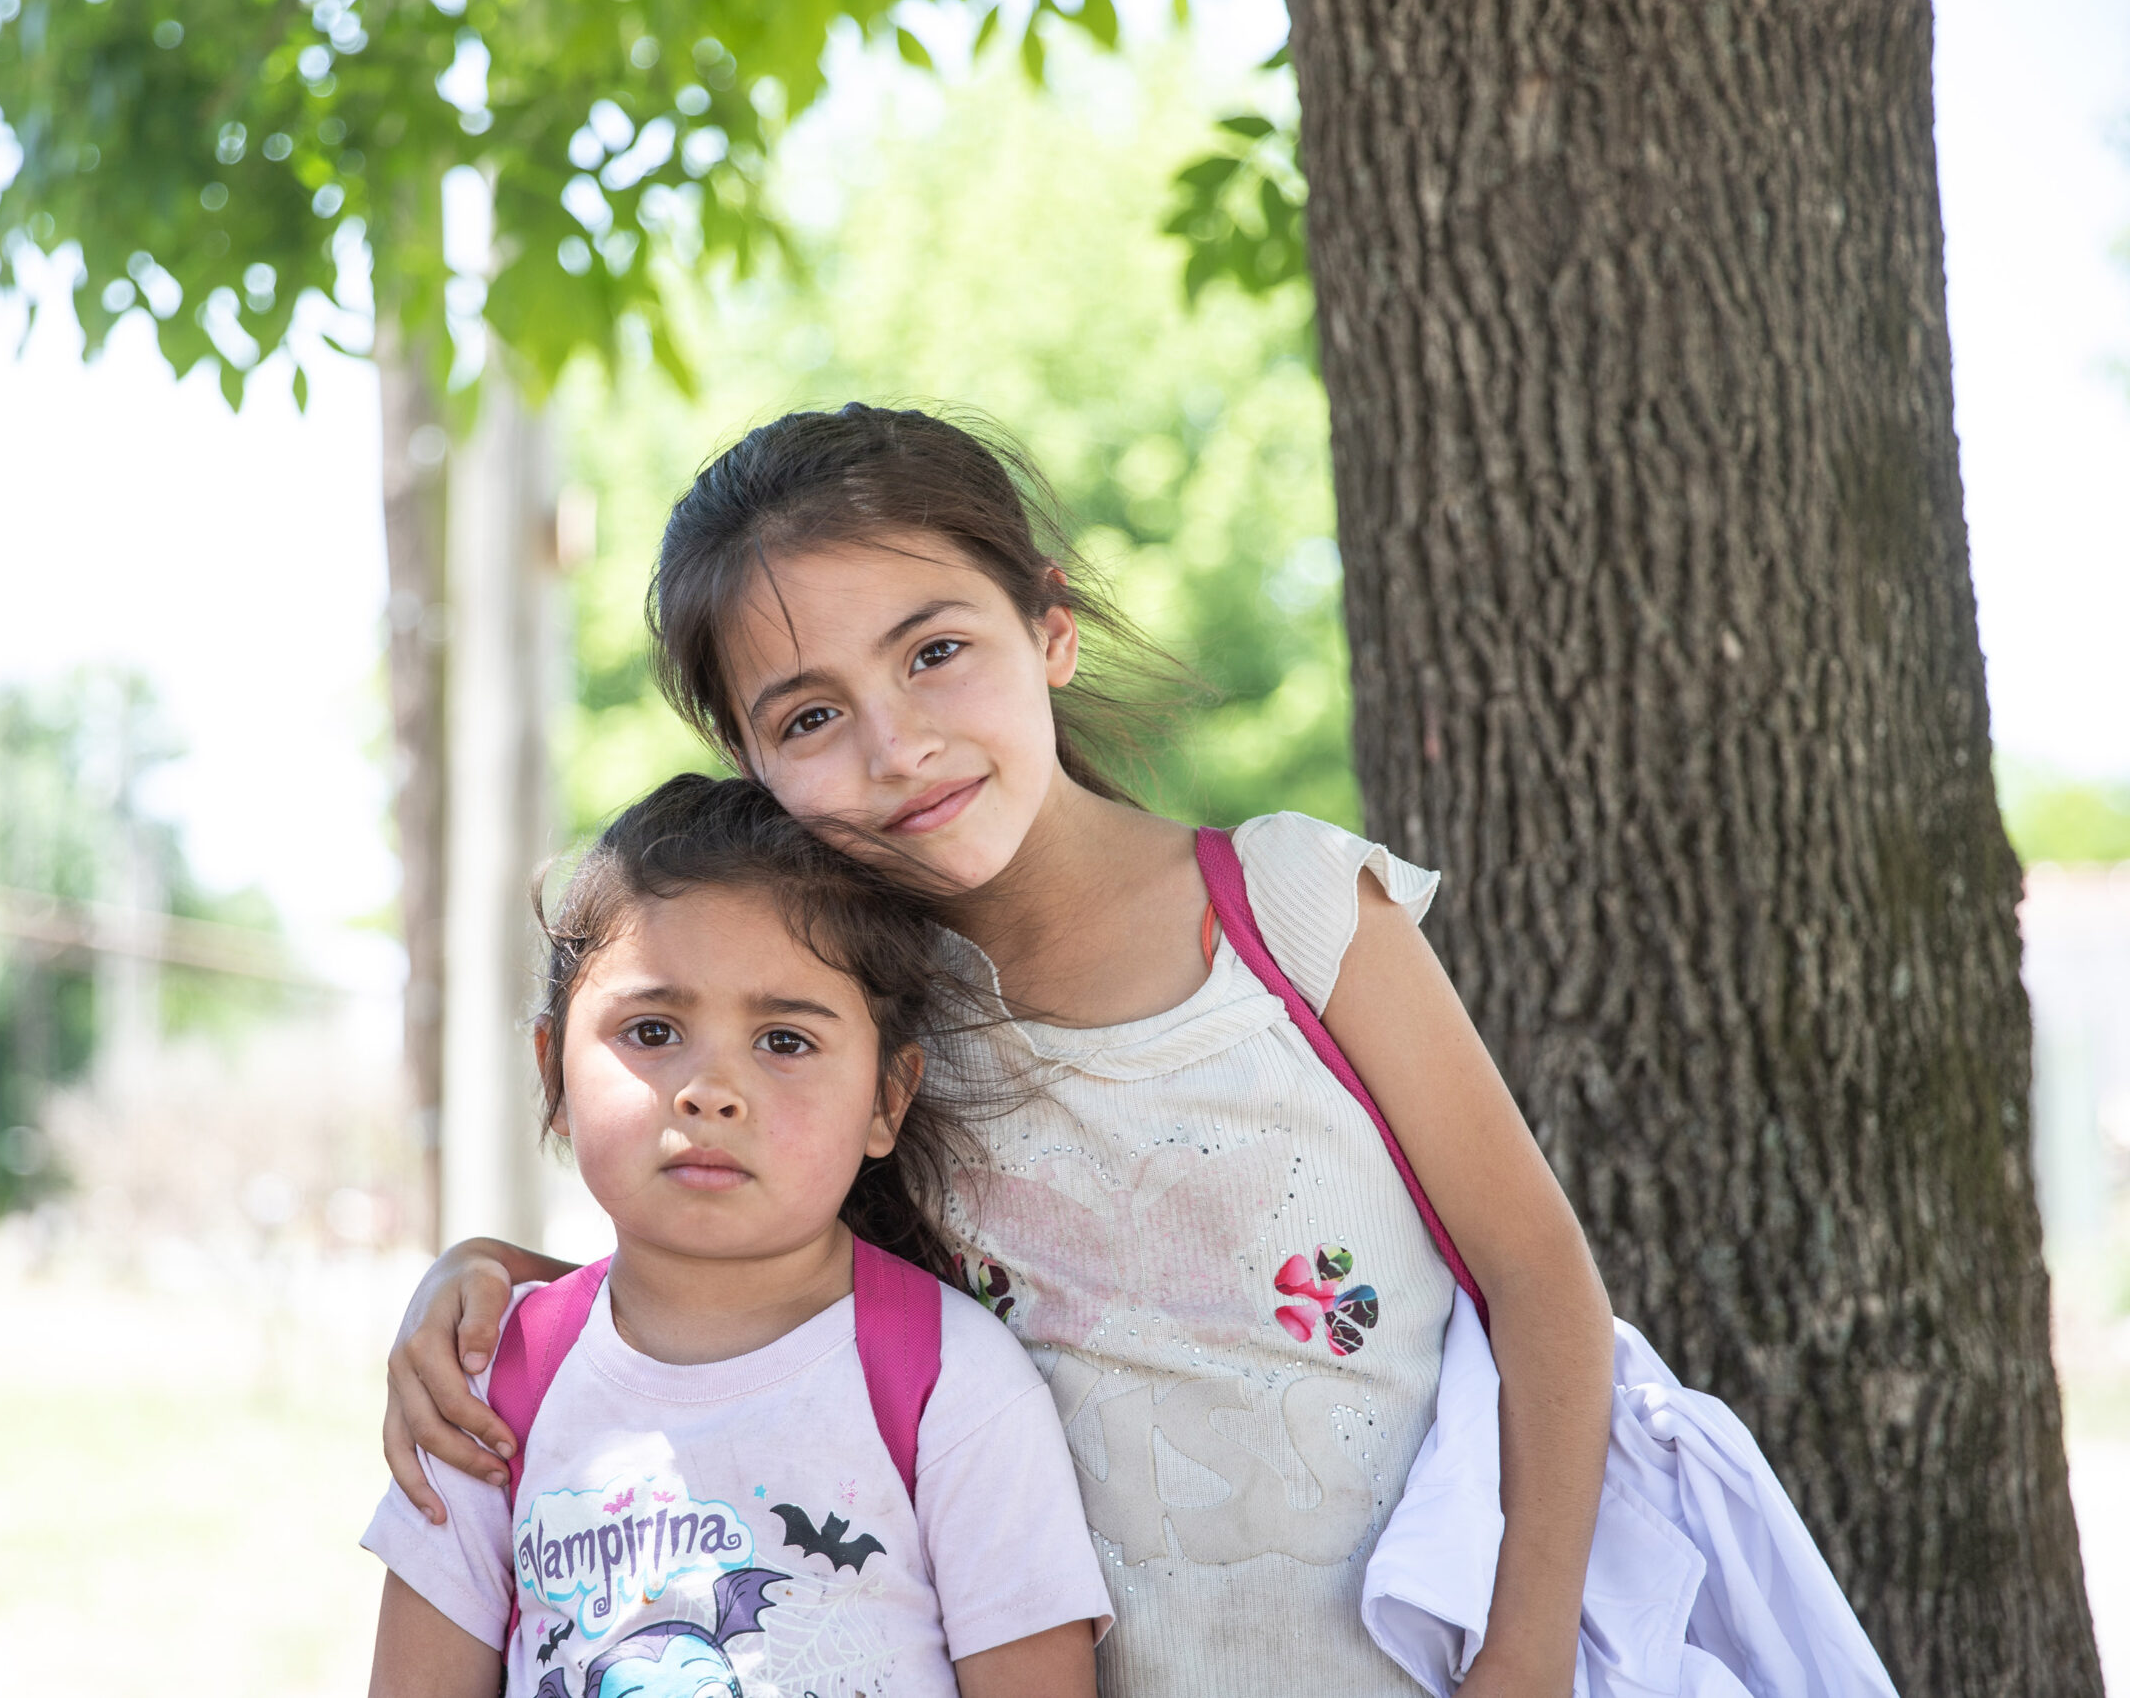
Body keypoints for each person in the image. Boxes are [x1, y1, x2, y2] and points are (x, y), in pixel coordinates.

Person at [384, 405, 1617, 1697]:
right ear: (750, 764)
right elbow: (750, 1264)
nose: (894, 743)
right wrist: (490, 1276)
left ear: (1052, 626)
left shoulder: (1287, 908)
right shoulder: (862, 1034)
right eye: (809, 717)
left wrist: (1523, 1659)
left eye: (936, 651)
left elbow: (1538, 1275)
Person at [364, 773, 1112, 1698]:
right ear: (553, 1071)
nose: (710, 1088)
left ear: (886, 1096)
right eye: (651, 1029)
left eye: (784, 1041)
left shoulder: (951, 1385)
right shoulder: (485, 1385)